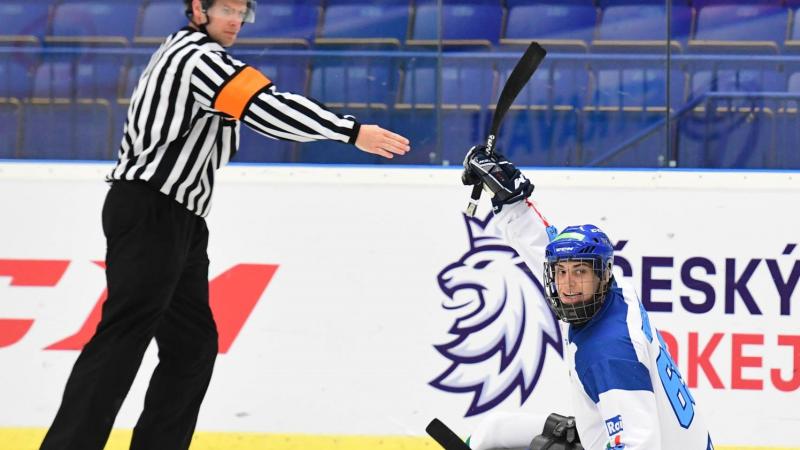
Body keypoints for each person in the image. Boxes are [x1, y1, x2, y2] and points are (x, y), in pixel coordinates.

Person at [39, 1, 410, 449]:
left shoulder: (194, 54)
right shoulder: (201, 60)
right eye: (227, 9)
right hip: (152, 209)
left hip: (178, 217)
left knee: (192, 346)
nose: (236, 20)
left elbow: (256, 111)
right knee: (124, 335)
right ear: (198, 8)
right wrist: (351, 131)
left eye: (243, 12)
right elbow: (266, 108)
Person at [458, 145, 712, 450]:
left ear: (602, 275)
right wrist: (509, 198)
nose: (568, 285)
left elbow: (637, 445)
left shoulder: (607, 351)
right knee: (493, 431)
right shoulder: (613, 295)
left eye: (579, 272)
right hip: (669, 435)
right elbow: (547, 249)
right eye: (562, 272)